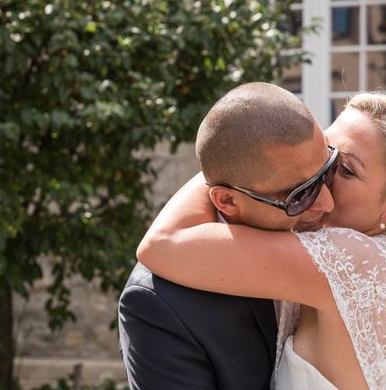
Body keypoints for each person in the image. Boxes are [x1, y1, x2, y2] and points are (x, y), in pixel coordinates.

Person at [138, 92, 386, 389]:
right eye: (327, 156)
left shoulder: (348, 261)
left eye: (345, 170)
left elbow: (165, 243)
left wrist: (236, 158)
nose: (319, 178)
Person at [118, 82, 337, 389]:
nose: (328, 202)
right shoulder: (158, 302)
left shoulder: (351, 238)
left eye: (329, 169)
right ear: (227, 201)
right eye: (300, 194)